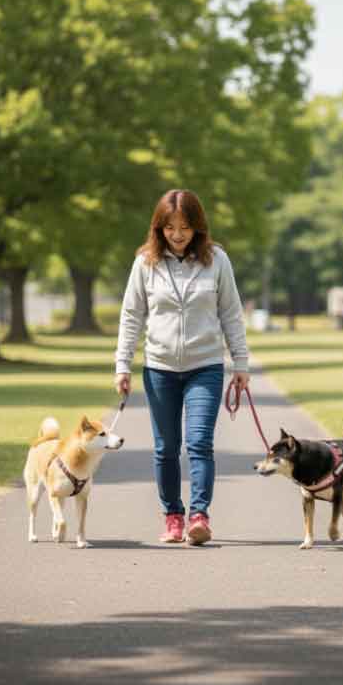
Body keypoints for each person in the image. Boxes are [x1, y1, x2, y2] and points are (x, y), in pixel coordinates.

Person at [114, 189, 250, 546]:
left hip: (205, 365)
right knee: (166, 448)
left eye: (185, 227)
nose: (177, 234)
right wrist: (122, 365)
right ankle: (173, 516)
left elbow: (231, 313)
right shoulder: (145, 262)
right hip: (159, 368)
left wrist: (241, 363)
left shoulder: (217, 260)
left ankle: (199, 516)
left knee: (200, 443)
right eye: (170, 227)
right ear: (158, 227)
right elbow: (132, 315)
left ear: (198, 227)